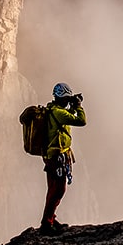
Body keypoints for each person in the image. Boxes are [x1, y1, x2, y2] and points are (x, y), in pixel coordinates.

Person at [40, 82, 87, 235]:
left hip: (53, 156)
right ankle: (47, 224)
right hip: (57, 157)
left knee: (52, 189)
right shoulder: (59, 113)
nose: (68, 101)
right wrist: (78, 106)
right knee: (58, 189)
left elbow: (68, 117)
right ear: (61, 98)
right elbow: (81, 121)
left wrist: (72, 106)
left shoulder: (54, 110)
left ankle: (50, 219)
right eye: (66, 99)